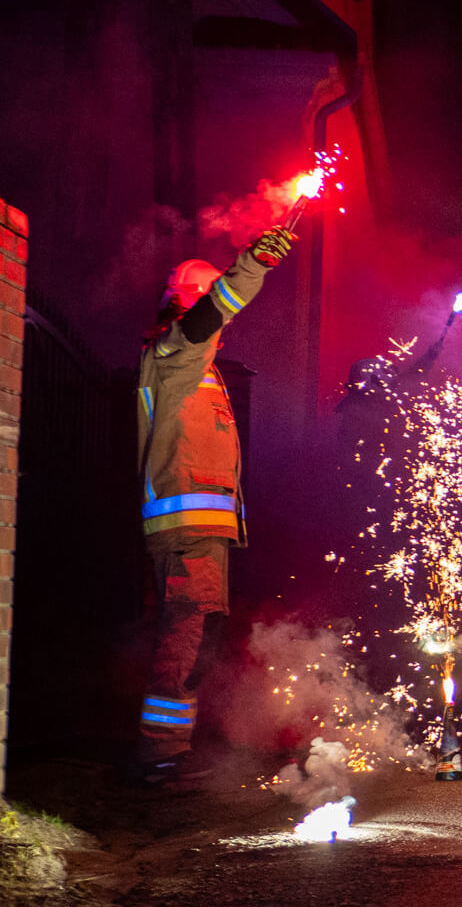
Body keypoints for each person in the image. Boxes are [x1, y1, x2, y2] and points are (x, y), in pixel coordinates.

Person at [134, 226, 295, 784]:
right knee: (187, 634)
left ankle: (173, 748)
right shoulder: (173, 354)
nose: (224, 327)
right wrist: (253, 265)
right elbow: (212, 311)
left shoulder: (200, 373)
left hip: (205, 533)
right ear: (187, 304)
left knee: (199, 636)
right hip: (187, 532)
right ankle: (161, 754)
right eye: (211, 306)